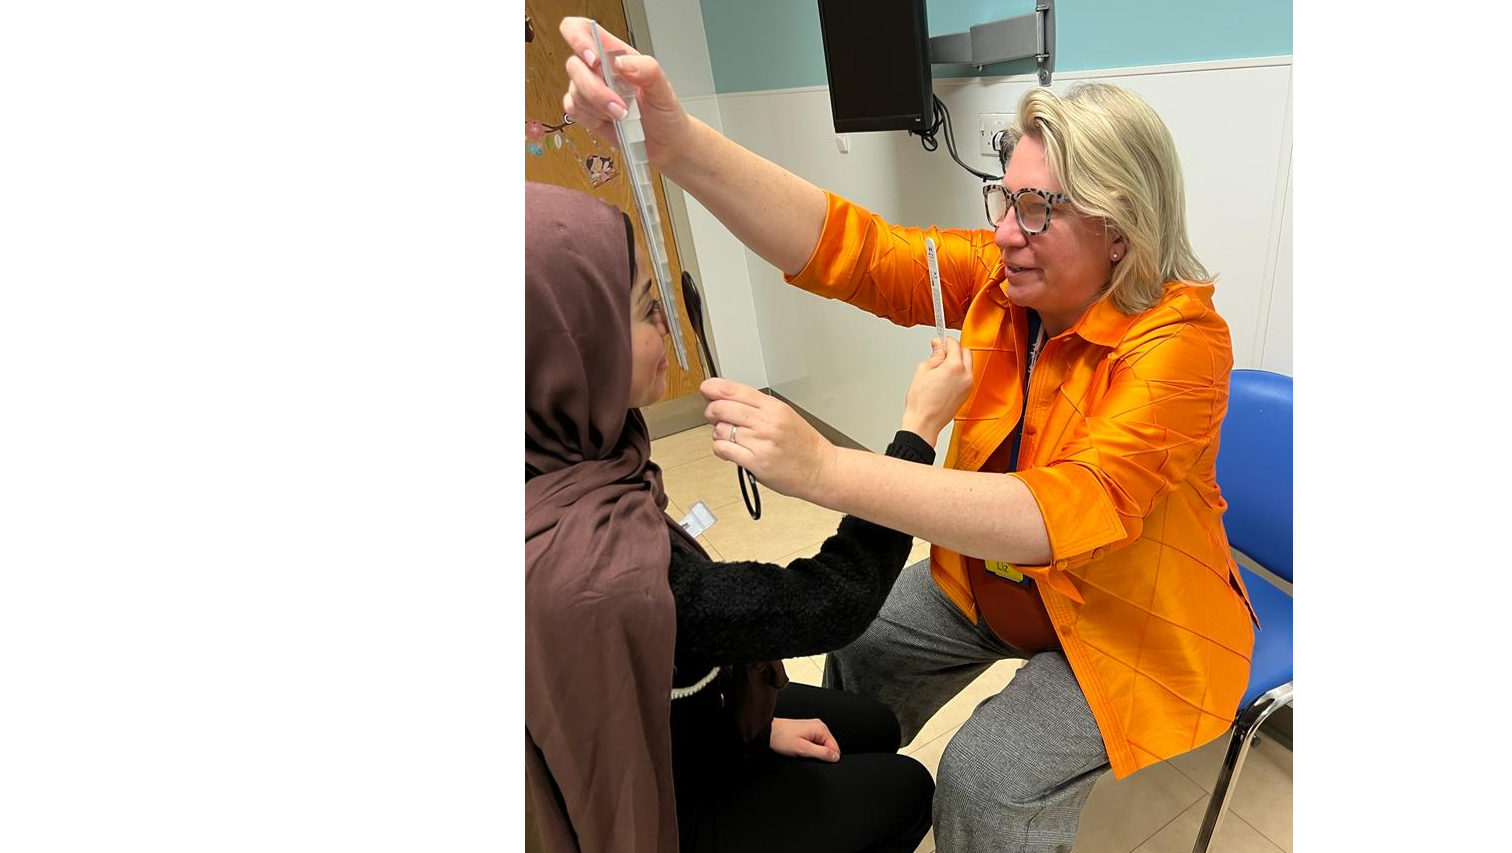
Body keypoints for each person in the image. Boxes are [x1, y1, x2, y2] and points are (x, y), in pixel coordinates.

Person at [554, 20, 1258, 853]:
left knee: (986, 778)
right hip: (991, 584)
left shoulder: (1181, 343)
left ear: (1121, 228)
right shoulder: (1006, 284)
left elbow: (1068, 509)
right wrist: (677, 143)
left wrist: (827, 467)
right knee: (868, 639)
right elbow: (851, 251)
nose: (1005, 231)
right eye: (1006, 196)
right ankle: (847, 807)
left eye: (1037, 209)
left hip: (1124, 615)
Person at [523, 180, 974, 853]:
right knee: (908, 784)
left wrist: (757, 731)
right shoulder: (603, 570)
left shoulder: (568, 449)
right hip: (670, 808)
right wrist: (917, 430)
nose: (668, 327)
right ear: (575, 346)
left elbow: (657, 669)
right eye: (648, 309)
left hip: (677, 735)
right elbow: (830, 600)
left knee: (872, 724)